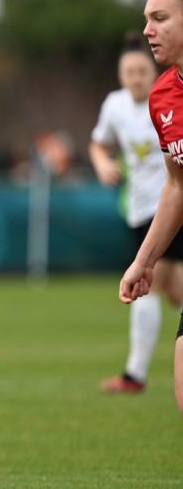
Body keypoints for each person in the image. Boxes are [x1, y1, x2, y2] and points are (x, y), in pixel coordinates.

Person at [90, 32, 183, 394]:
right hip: (138, 208)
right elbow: (98, 144)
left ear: (152, 71)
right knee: (173, 291)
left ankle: (134, 375)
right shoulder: (115, 106)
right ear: (120, 75)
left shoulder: (166, 96)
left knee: (151, 285)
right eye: (129, 72)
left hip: (169, 208)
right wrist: (102, 163)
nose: (136, 78)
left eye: (141, 71)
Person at [120, 0, 183, 416]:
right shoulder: (163, 95)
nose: (148, 30)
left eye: (160, 18)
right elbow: (177, 185)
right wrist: (144, 261)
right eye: (146, 19)